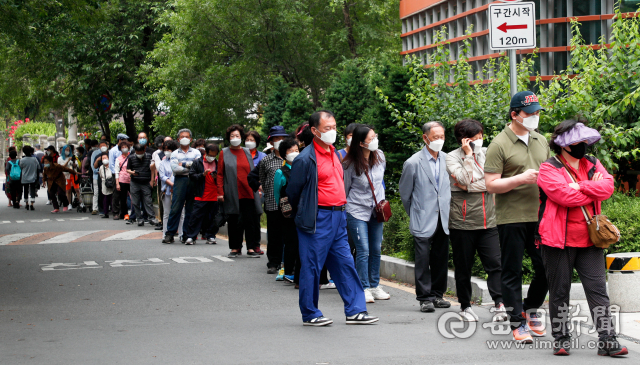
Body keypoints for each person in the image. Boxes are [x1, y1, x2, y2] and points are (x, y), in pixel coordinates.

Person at [537, 119, 627, 357]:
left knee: (598, 290)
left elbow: (607, 188)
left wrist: (580, 186)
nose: (582, 145)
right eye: (577, 141)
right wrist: (589, 188)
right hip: (558, 240)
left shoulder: (593, 163)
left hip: (590, 239)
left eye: (584, 140)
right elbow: (564, 197)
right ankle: (561, 338)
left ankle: (607, 339)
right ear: (564, 144)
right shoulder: (548, 168)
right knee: (559, 291)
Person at [286, 110, 377, 326]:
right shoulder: (306, 158)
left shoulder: (335, 154)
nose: (333, 132)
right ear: (315, 131)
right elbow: (294, 192)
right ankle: (310, 313)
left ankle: (355, 310)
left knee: (345, 263)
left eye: (334, 127)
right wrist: (309, 213)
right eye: (327, 128)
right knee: (312, 266)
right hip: (317, 218)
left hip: (339, 216)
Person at [484, 91, 549, 343]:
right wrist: (521, 178)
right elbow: (490, 185)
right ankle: (517, 322)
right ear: (514, 115)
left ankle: (530, 308)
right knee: (511, 271)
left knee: (545, 267)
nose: (535, 117)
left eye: (537, 113)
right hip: (511, 217)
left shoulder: (540, 140)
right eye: (530, 114)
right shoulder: (499, 144)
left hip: (541, 216)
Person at [445, 119, 507, 322]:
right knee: (464, 267)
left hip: (488, 220)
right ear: (464, 140)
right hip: (462, 222)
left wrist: (474, 184)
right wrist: (469, 157)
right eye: (475, 138)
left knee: (495, 264)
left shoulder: (489, 152)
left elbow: (495, 182)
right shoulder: (452, 158)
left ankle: (500, 304)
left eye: (481, 136)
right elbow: (463, 179)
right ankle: (465, 306)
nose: (480, 141)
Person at [399, 121, 451, 313]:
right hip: (422, 217)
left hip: (443, 218)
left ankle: (438, 295)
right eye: (435, 137)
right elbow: (405, 195)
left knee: (440, 258)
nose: (439, 140)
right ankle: (424, 298)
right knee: (422, 259)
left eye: (442, 137)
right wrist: (415, 212)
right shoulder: (413, 163)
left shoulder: (448, 159)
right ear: (425, 137)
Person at [343, 125, 390, 303]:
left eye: (375, 136)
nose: (375, 140)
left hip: (376, 210)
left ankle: (374, 285)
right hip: (356, 210)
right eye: (371, 138)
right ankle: (362, 287)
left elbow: (380, 182)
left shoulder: (380, 157)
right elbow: (345, 189)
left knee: (376, 249)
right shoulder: (348, 164)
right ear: (361, 143)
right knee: (363, 250)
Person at [217, 124, 263, 257]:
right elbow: (220, 174)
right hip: (231, 191)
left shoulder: (247, 152)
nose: (235, 138)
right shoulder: (223, 152)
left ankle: (251, 248)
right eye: (232, 136)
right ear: (228, 137)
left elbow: (253, 172)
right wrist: (220, 192)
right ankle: (235, 247)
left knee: (250, 220)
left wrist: (258, 187)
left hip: (248, 191)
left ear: (241, 137)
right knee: (234, 220)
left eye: (237, 135)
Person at [256, 126, 288, 271]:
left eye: (282, 138)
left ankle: (288, 263)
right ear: (271, 141)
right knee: (274, 235)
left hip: (288, 204)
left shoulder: (293, 158)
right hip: (272, 202)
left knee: (289, 235)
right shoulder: (266, 160)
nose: (280, 141)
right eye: (277, 139)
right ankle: (273, 263)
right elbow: (262, 179)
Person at [164, 129, 201, 243]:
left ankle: (187, 234)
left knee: (191, 208)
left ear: (191, 139)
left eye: (187, 136)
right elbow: (175, 169)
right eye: (182, 136)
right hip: (180, 181)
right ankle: (170, 233)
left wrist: (183, 164)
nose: (184, 138)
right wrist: (191, 166)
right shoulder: (174, 153)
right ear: (178, 139)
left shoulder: (196, 152)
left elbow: (198, 166)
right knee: (176, 207)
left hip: (193, 181)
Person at [273, 138, 301, 285]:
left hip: (302, 211)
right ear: (284, 154)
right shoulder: (281, 172)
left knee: (300, 241)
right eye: (291, 151)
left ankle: (297, 269)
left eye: (297, 150)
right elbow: (277, 193)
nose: (295, 153)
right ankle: (289, 271)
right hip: (287, 213)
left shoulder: (302, 168)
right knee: (290, 242)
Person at [185, 143, 220, 245]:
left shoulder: (217, 163)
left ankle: (211, 236)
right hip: (201, 194)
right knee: (195, 216)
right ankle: (191, 236)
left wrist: (216, 177)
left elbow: (222, 178)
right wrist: (202, 175)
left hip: (214, 195)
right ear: (206, 153)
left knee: (212, 217)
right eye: (210, 155)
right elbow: (192, 176)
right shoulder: (197, 162)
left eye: (214, 155)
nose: (212, 157)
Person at [126, 143, 157, 226]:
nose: (139, 154)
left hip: (146, 182)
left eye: (140, 152)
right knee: (135, 202)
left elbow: (152, 169)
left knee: (148, 201)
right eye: (137, 152)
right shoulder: (131, 158)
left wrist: (152, 180)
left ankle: (152, 218)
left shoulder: (149, 156)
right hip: (135, 182)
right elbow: (127, 169)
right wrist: (132, 172)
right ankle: (139, 219)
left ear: (144, 150)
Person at [159, 140, 185, 240]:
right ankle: (166, 233)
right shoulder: (162, 162)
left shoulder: (179, 160)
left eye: (168, 149)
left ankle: (182, 234)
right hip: (167, 190)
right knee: (167, 213)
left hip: (179, 190)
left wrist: (177, 186)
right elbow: (162, 177)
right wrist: (173, 185)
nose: (167, 151)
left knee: (181, 213)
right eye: (165, 150)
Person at [109, 134, 129, 217]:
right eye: (124, 140)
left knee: (125, 195)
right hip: (116, 174)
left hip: (127, 176)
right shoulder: (113, 151)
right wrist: (117, 175)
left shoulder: (129, 152)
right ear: (120, 140)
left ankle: (123, 212)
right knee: (116, 194)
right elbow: (111, 164)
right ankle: (116, 212)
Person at [152, 135, 169, 230]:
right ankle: (163, 223)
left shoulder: (176, 153)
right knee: (162, 202)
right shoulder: (158, 154)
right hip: (163, 181)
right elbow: (157, 168)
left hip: (174, 181)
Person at [114, 140, 132, 220]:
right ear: (120, 149)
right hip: (122, 180)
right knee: (123, 198)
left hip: (131, 180)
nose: (124, 148)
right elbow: (116, 171)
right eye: (122, 147)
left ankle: (134, 213)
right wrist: (117, 183)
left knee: (134, 198)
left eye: (125, 147)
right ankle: (125, 214)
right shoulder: (118, 159)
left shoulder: (132, 156)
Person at [19, 145, 41, 211]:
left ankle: (26, 204)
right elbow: (38, 167)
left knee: (25, 190)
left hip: (24, 177)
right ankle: (32, 204)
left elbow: (20, 168)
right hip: (33, 177)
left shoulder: (22, 160)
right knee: (32, 190)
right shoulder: (34, 159)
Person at [91, 140, 108, 215]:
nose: (103, 147)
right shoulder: (97, 155)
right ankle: (100, 209)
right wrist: (98, 160)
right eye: (101, 146)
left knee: (109, 193)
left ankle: (109, 208)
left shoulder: (110, 154)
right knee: (100, 193)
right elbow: (94, 166)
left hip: (109, 176)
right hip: (100, 176)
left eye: (104, 145)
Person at [98, 153, 115, 218]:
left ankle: (114, 212)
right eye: (103, 158)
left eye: (106, 158)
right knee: (105, 199)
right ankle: (106, 213)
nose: (104, 159)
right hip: (105, 185)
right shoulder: (101, 167)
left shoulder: (112, 165)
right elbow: (101, 175)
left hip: (112, 183)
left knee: (112, 199)